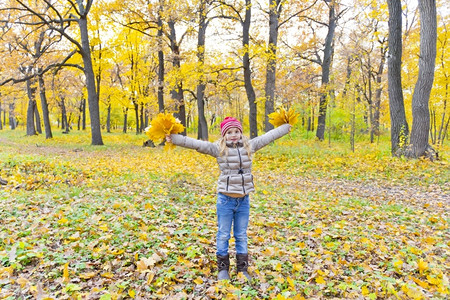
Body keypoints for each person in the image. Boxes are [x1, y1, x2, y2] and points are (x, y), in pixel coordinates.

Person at [166, 117, 291, 281]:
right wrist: (173, 138)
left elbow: (268, 137)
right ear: (224, 135)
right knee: (224, 234)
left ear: (240, 132)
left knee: (241, 235)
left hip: (243, 201)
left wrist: (284, 128)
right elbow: (196, 144)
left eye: (236, 131)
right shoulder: (218, 149)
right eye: (229, 132)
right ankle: (223, 269)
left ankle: (242, 269)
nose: (233, 135)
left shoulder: (249, 146)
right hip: (225, 200)